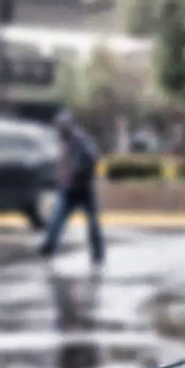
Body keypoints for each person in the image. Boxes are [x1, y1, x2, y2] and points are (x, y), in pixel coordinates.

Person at [39, 110, 105, 266]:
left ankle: (97, 254)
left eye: (61, 127)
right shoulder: (64, 142)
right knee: (56, 220)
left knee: (93, 223)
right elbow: (62, 165)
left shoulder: (82, 141)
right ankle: (48, 248)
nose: (59, 130)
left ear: (68, 126)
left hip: (83, 190)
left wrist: (76, 174)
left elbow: (90, 161)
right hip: (68, 190)